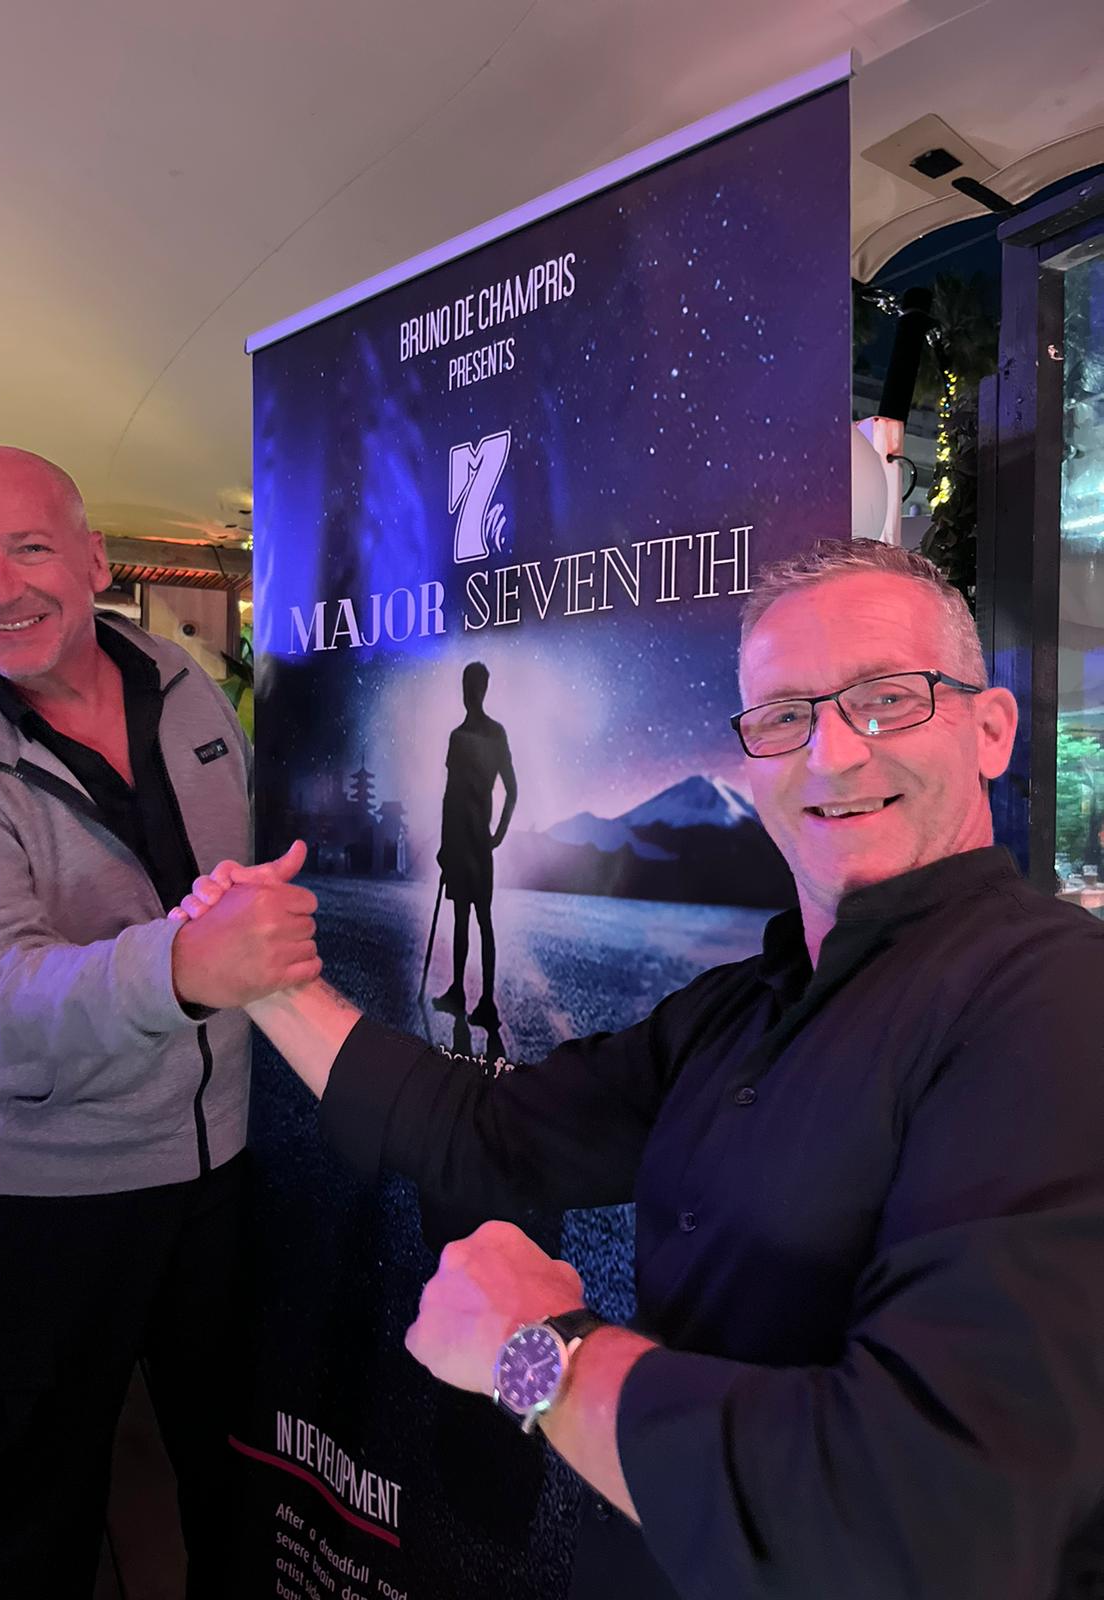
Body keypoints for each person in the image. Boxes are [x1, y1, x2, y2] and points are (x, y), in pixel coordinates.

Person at [177, 540, 1104, 1600]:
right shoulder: (742, 1007)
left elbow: (925, 1523)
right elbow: (490, 1132)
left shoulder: (1055, 1004)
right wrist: (269, 983)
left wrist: (540, 1355)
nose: (834, 753)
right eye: (785, 715)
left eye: (889, 699)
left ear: (991, 729)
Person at [0, 447, 321, 1599]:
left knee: (243, 1495)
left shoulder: (182, 680)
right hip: (42, 1208)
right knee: (28, 1536)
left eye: (28, 548)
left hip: (224, 1173)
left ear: (95, 560)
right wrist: (182, 964)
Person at [431, 660, 517, 1031]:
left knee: (476, 919)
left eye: (473, 686)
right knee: (470, 919)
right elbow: (454, 796)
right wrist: (490, 836)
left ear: (481, 689)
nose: (469, 693)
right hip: (471, 842)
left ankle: (483, 1000)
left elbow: (507, 791)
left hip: (471, 842)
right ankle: (463, 994)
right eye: (466, 686)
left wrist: (498, 834)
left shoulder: (473, 735)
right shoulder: (483, 734)